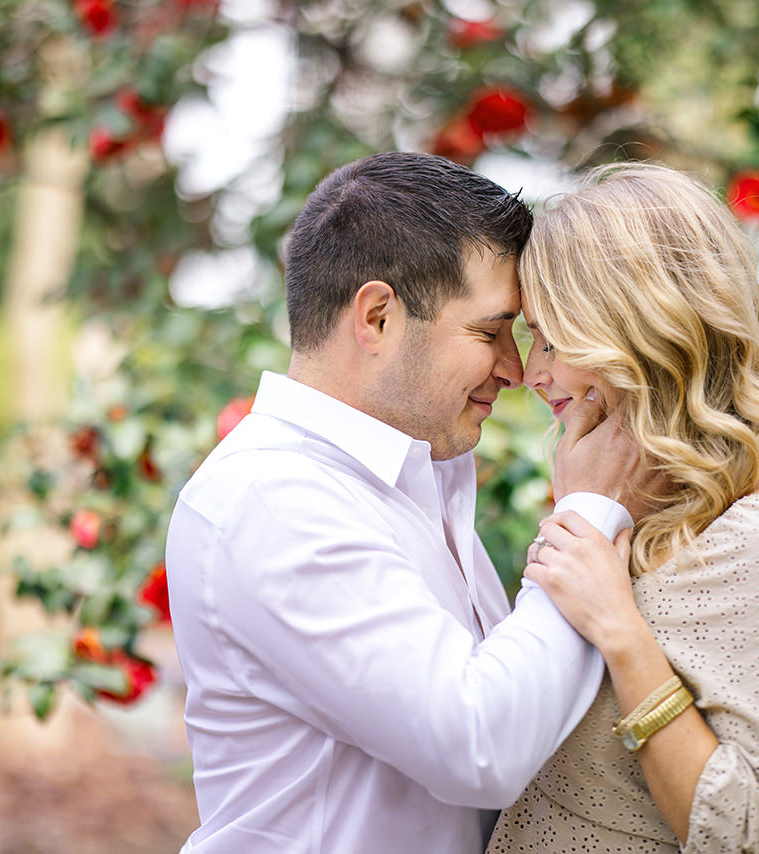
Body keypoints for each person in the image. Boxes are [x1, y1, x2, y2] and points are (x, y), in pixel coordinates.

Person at [164, 152, 641, 853]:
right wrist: (594, 510)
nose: (514, 369)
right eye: (488, 331)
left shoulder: (416, 482)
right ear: (378, 317)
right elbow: (478, 747)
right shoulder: (272, 501)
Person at [487, 163, 759, 853]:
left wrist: (621, 631)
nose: (532, 373)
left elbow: (749, 835)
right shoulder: (622, 514)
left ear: (645, 336)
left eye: (554, 340)